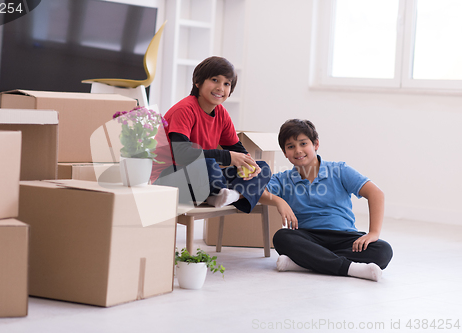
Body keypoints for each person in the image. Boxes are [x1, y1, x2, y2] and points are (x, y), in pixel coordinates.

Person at [259, 119, 393, 281]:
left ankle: (304, 263)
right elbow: (258, 192)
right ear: (285, 153)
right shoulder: (282, 179)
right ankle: (349, 268)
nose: (298, 150)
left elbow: (376, 194)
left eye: (303, 143)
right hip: (309, 238)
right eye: (291, 147)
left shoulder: (339, 170)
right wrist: (279, 201)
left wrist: (373, 233)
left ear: (316, 144)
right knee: (282, 237)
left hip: (345, 237)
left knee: (383, 250)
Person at [151, 56, 271, 213]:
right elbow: (182, 155)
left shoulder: (222, 114)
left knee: (263, 167)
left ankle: (228, 195)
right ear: (198, 82)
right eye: (215, 80)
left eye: (226, 84)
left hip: (202, 177)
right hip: (168, 179)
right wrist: (228, 157)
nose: (221, 87)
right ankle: (222, 193)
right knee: (208, 165)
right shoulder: (184, 110)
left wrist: (249, 164)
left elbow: (238, 150)